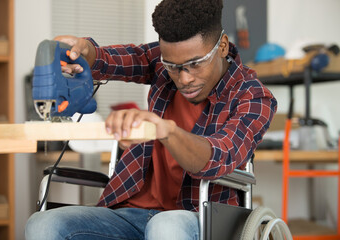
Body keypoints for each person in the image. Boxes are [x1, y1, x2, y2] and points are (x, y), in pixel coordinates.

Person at [26, 0, 277, 239]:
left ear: (222, 46)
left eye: (195, 64)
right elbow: (116, 59)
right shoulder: (163, 61)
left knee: (165, 225)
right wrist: (85, 52)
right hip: (129, 214)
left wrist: (166, 131)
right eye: (172, 66)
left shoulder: (254, 97)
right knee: (43, 225)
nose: (184, 78)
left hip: (197, 217)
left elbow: (218, 156)